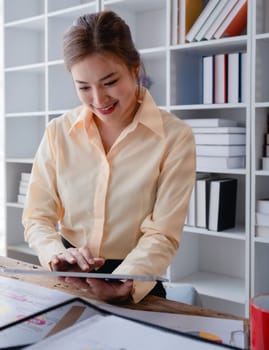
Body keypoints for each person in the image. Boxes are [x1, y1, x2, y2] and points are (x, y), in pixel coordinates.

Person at [22, 10, 196, 304]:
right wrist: (57, 255)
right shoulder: (58, 132)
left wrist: (126, 280)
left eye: (110, 81)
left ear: (135, 69)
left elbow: (163, 234)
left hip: (135, 282)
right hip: (69, 277)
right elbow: (37, 217)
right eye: (84, 87)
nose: (98, 99)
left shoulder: (175, 137)